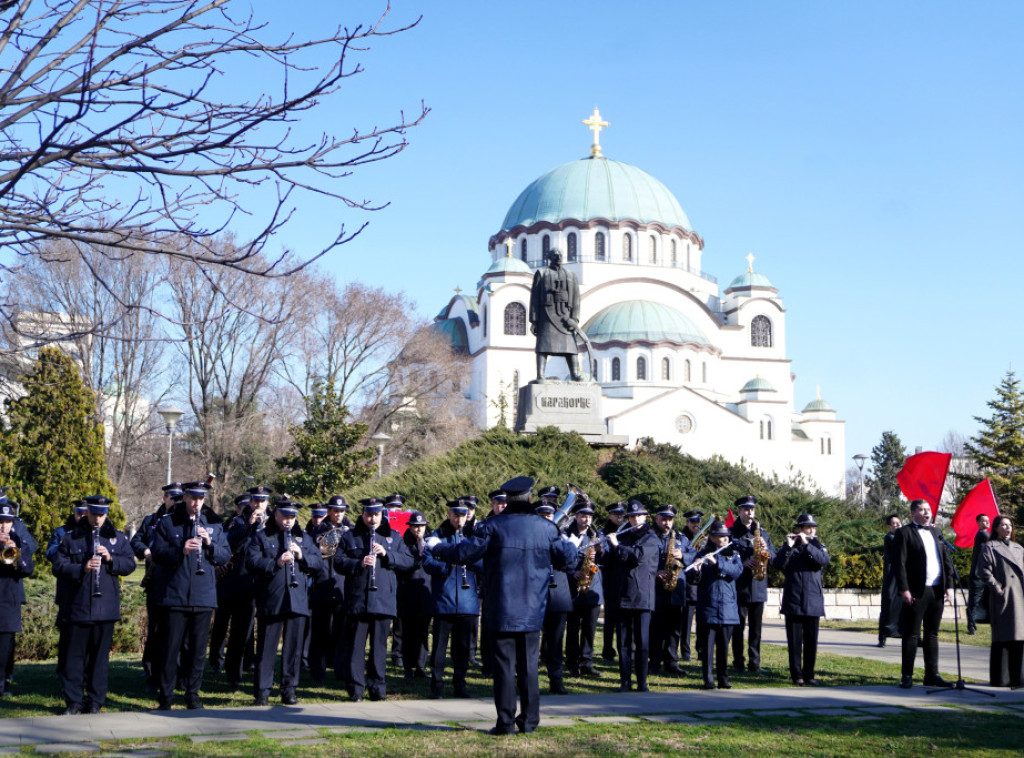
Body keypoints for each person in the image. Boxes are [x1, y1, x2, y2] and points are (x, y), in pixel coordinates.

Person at [427, 476, 575, 736]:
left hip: (501, 609)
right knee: (529, 668)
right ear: (530, 498)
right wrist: (568, 543)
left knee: (504, 668)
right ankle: (529, 722)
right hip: (532, 609)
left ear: (506, 500)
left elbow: (464, 554)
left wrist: (437, 548)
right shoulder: (546, 528)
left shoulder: (491, 526)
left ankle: (505, 723)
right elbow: (567, 560)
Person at [149, 480, 231, 710]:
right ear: (184, 498)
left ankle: (192, 694)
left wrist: (209, 544)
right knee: (170, 648)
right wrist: (180, 550)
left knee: (196, 651)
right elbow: (157, 552)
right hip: (175, 596)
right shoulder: (168, 523)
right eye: (192, 498)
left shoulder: (213, 525)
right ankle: (165, 696)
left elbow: (225, 556)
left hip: (203, 596)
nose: (196, 503)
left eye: (200, 499)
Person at [52, 495, 136, 714]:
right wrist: (81, 568)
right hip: (77, 608)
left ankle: (96, 701)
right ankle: (74, 702)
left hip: (105, 608)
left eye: (102, 514)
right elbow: (58, 566)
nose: (98, 519)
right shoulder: (71, 538)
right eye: (94, 514)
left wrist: (111, 559)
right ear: (86, 512)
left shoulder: (116, 537)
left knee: (99, 660)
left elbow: (130, 564)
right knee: (74, 659)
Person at [334, 498, 414, 702]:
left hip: (382, 600)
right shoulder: (350, 536)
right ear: (363, 514)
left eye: (376, 515)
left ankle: (378, 688)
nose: (372, 519)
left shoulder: (393, 537)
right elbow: (338, 562)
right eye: (369, 515)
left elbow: (408, 561)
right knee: (355, 647)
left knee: (379, 648)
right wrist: (358, 563)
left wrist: (387, 554)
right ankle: (355, 689)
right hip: (358, 599)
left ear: (381, 515)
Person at [246, 497, 322, 705]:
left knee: (293, 649)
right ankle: (262, 691)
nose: (288, 521)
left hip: (297, 600)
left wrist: (302, 557)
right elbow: (251, 561)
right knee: (266, 648)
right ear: (276, 514)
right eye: (285, 516)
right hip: (272, 599)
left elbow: (318, 563)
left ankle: (289, 690)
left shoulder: (303, 538)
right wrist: (276, 562)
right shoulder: (263, 536)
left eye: (292, 517)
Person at [422, 501, 481, 698]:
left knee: (462, 648)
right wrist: (447, 566)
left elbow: (483, 562)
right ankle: (436, 685)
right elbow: (428, 561)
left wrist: (468, 559)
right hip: (444, 600)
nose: (459, 519)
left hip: (467, 601)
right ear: (449, 515)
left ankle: (460, 684)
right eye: (455, 515)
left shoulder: (473, 538)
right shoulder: (438, 537)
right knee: (439, 647)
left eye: (463, 516)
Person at [894, 499, 955, 689]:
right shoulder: (904, 533)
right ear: (913, 513)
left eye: (928, 509)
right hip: (916, 591)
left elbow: (946, 562)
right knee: (912, 634)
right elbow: (899, 564)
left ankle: (932, 674)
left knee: (932, 634)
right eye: (922, 510)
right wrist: (904, 589)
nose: (927, 513)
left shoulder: (937, 532)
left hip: (936, 590)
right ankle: (907, 675)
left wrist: (950, 587)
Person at [130, 482, 181, 691]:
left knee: (176, 630)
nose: (175, 501)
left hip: (178, 581)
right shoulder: (152, 520)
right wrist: (146, 551)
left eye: (179, 498)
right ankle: (151, 670)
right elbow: (136, 541)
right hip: (156, 579)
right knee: (157, 628)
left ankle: (174, 672)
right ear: (164, 498)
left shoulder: (184, 522)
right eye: (172, 497)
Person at [604, 500, 659, 692]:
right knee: (624, 643)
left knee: (642, 643)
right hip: (623, 595)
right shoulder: (624, 535)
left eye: (638, 515)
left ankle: (642, 681)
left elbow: (637, 557)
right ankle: (625, 681)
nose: (635, 519)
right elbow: (612, 561)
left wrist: (616, 545)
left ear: (645, 516)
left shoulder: (651, 538)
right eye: (632, 516)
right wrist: (602, 550)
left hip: (642, 597)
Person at [773, 513, 830, 686]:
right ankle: (796, 674)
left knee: (811, 641)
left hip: (813, 600)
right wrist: (788, 547)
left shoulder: (819, 546)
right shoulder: (790, 547)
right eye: (807, 527)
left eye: (813, 527)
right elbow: (777, 564)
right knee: (795, 641)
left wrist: (806, 544)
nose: (811, 530)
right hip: (794, 600)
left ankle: (809, 674)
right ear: (800, 529)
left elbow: (822, 561)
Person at [689, 520, 742, 690]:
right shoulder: (702, 554)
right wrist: (696, 572)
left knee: (723, 647)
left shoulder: (733, 554)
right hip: (708, 605)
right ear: (712, 538)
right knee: (707, 647)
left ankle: (723, 678)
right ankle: (708, 679)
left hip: (728, 608)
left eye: (726, 537)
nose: (724, 540)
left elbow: (736, 572)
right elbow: (694, 581)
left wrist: (717, 563)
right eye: (720, 537)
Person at [729, 495, 776, 673]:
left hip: (758, 585)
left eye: (752, 510)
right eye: (746, 509)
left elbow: (775, 557)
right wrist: (742, 563)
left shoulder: (762, 533)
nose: (749, 513)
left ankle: (754, 663)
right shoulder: (731, 533)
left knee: (756, 629)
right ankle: (738, 661)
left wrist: (766, 549)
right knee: (738, 627)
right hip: (740, 585)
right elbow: (727, 555)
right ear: (739, 511)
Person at [976, 515, 1024, 687]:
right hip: (1003, 596)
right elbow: (983, 571)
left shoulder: (1019, 548)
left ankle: (1018, 678)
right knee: (1003, 636)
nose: (1007, 528)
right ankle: (1001, 679)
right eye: (1003, 525)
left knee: (1019, 637)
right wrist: (996, 587)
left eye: (1009, 525)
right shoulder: (990, 547)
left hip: (1020, 596)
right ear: (995, 528)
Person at [307, 495, 350, 682]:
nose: (338, 514)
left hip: (342, 587)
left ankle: (339, 669)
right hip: (322, 587)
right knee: (319, 633)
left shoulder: (351, 532)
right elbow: (320, 551)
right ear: (329, 512)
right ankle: (317, 670)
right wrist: (338, 535)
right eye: (335, 511)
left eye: (341, 511)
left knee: (341, 634)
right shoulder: (318, 531)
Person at [649, 505, 694, 676]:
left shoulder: (681, 538)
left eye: (670, 519)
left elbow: (694, 556)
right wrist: (656, 571)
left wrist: (683, 556)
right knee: (656, 629)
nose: (666, 523)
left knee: (674, 629)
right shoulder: (650, 537)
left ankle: (671, 661)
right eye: (663, 519)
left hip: (676, 589)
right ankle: (654, 661)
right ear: (656, 519)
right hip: (656, 589)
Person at [48, 501, 88, 682]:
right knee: (66, 633)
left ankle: (85, 671)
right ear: (74, 514)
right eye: (80, 513)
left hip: (87, 590)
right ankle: (63, 668)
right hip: (67, 589)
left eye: (86, 513)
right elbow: (51, 553)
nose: (83, 517)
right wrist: (67, 546)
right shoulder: (62, 532)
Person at [536, 497, 573, 695]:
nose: (547, 519)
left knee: (556, 642)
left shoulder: (562, 537)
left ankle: (556, 680)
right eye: (542, 515)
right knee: (531, 640)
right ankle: (527, 678)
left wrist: (568, 544)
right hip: (535, 594)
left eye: (549, 515)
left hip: (558, 594)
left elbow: (570, 562)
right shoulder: (532, 537)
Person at [564, 501, 605, 678]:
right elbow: (560, 559)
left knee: (590, 629)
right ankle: (572, 663)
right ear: (576, 516)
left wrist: (600, 550)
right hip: (573, 589)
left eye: (589, 516)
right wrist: (572, 572)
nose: (586, 519)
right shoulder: (565, 534)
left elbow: (606, 559)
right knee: (573, 629)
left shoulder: (596, 536)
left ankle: (586, 662)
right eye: (582, 515)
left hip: (592, 588)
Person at [529, 248, 582, 382]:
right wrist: (534, 321)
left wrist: (574, 318)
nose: (558, 257)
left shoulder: (571, 275)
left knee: (571, 346)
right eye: (555, 255)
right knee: (543, 346)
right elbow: (534, 298)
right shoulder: (542, 273)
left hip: (566, 316)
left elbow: (576, 298)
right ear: (550, 257)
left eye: (560, 255)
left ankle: (574, 374)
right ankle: (540, 375)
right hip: (547, 315)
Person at [0, 501, 33, 701]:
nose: (4, 526)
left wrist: (16, 552)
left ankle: (3, 684)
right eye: (0, 522)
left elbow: (27, 569)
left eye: (7, 522)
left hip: (8, 602)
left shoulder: (18, 541)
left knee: (5, 648)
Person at [397, 510, 432, 681]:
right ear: (410, 527)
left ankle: (421, 666)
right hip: (408, 592)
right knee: (408, 632)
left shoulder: (430, 543)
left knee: (423, 632)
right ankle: (408, 667)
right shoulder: (403, 543)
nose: (418, 529)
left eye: (421, 526)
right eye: (415, 526)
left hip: (425, 591)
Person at [600, 501, 627, 661]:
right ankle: (607, 650)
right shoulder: (603, 532)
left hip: (624, 577)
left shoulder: (626, 531)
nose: (619, 517)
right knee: (610, 618)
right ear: (610, 515)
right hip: (610, 578)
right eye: (616, 514)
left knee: (624, 618)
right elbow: (604, 555)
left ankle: (623, 648)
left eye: (621, 514)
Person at [680, 509, 704, 662]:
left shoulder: (704, 538)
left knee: (702, 622)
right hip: (687, 585)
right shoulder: (682, 538)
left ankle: (701, 651)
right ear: (687, 523)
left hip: (701, 584)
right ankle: (685, 652)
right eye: (693, 522)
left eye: (698, 522)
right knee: (686, 623)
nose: (696, 525)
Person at [877, 513, 903, 647]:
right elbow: (898, 543)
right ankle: (883, 636)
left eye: (899, 522)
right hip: (891, 578)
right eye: (895, 523)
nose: (898, 525)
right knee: (888, 605)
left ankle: (908, 635)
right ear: (889, 527)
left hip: (902, 577)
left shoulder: (902, 537)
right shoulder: (889, 537)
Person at [968, 513, 992, 635]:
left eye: (988, 520)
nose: (987, 522)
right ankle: (971, 627)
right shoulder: (983, 534)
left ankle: (974, 624)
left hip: (982, 574)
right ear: (978, 523)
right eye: (984, 520)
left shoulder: (984, 535)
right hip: (977, 575)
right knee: (974, 601)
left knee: (978, 600)